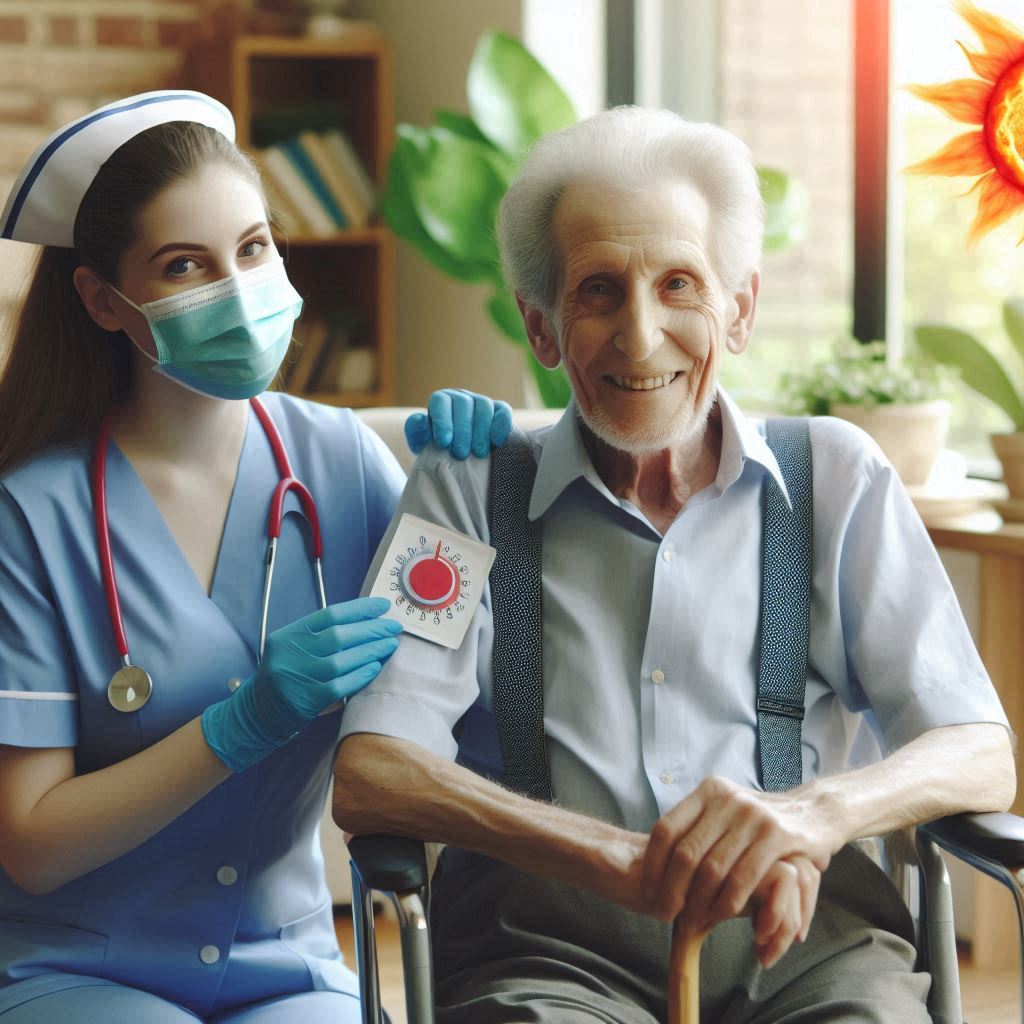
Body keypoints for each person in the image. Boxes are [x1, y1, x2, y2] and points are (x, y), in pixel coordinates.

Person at [333, 106, 1016, 1023]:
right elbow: (375, 768)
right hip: (546, 954)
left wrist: (814, 815)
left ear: (738, 310)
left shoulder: (838, 478)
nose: (642, 335)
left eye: (680, 284)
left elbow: (979, 751)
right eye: (599, 290)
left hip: (812, 952)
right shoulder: (463, 494)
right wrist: (606, 856)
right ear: (542, 330)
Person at [0, 90, 510, 1023]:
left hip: (286, 969)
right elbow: (29, 842)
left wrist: (473, 500)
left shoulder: (346, 462)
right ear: (101, 301)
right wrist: (240, 725)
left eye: (253, 247)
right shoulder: (31, 515)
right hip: (82, 969)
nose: (238, 291)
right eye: (185, 265)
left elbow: (459, 691)